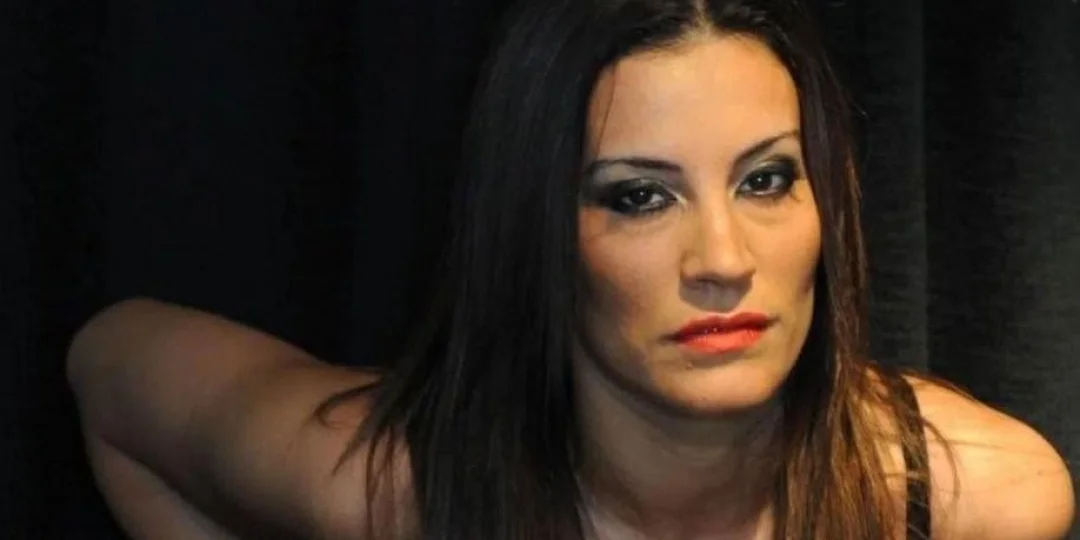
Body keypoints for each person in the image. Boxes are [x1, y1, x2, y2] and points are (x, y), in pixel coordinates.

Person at [66, 0, 1075, 539]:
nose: (723, 261)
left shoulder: (979, 500)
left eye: (766, 181)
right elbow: (112, 363)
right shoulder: (398, 492)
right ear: (537, 232)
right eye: (638, 197)